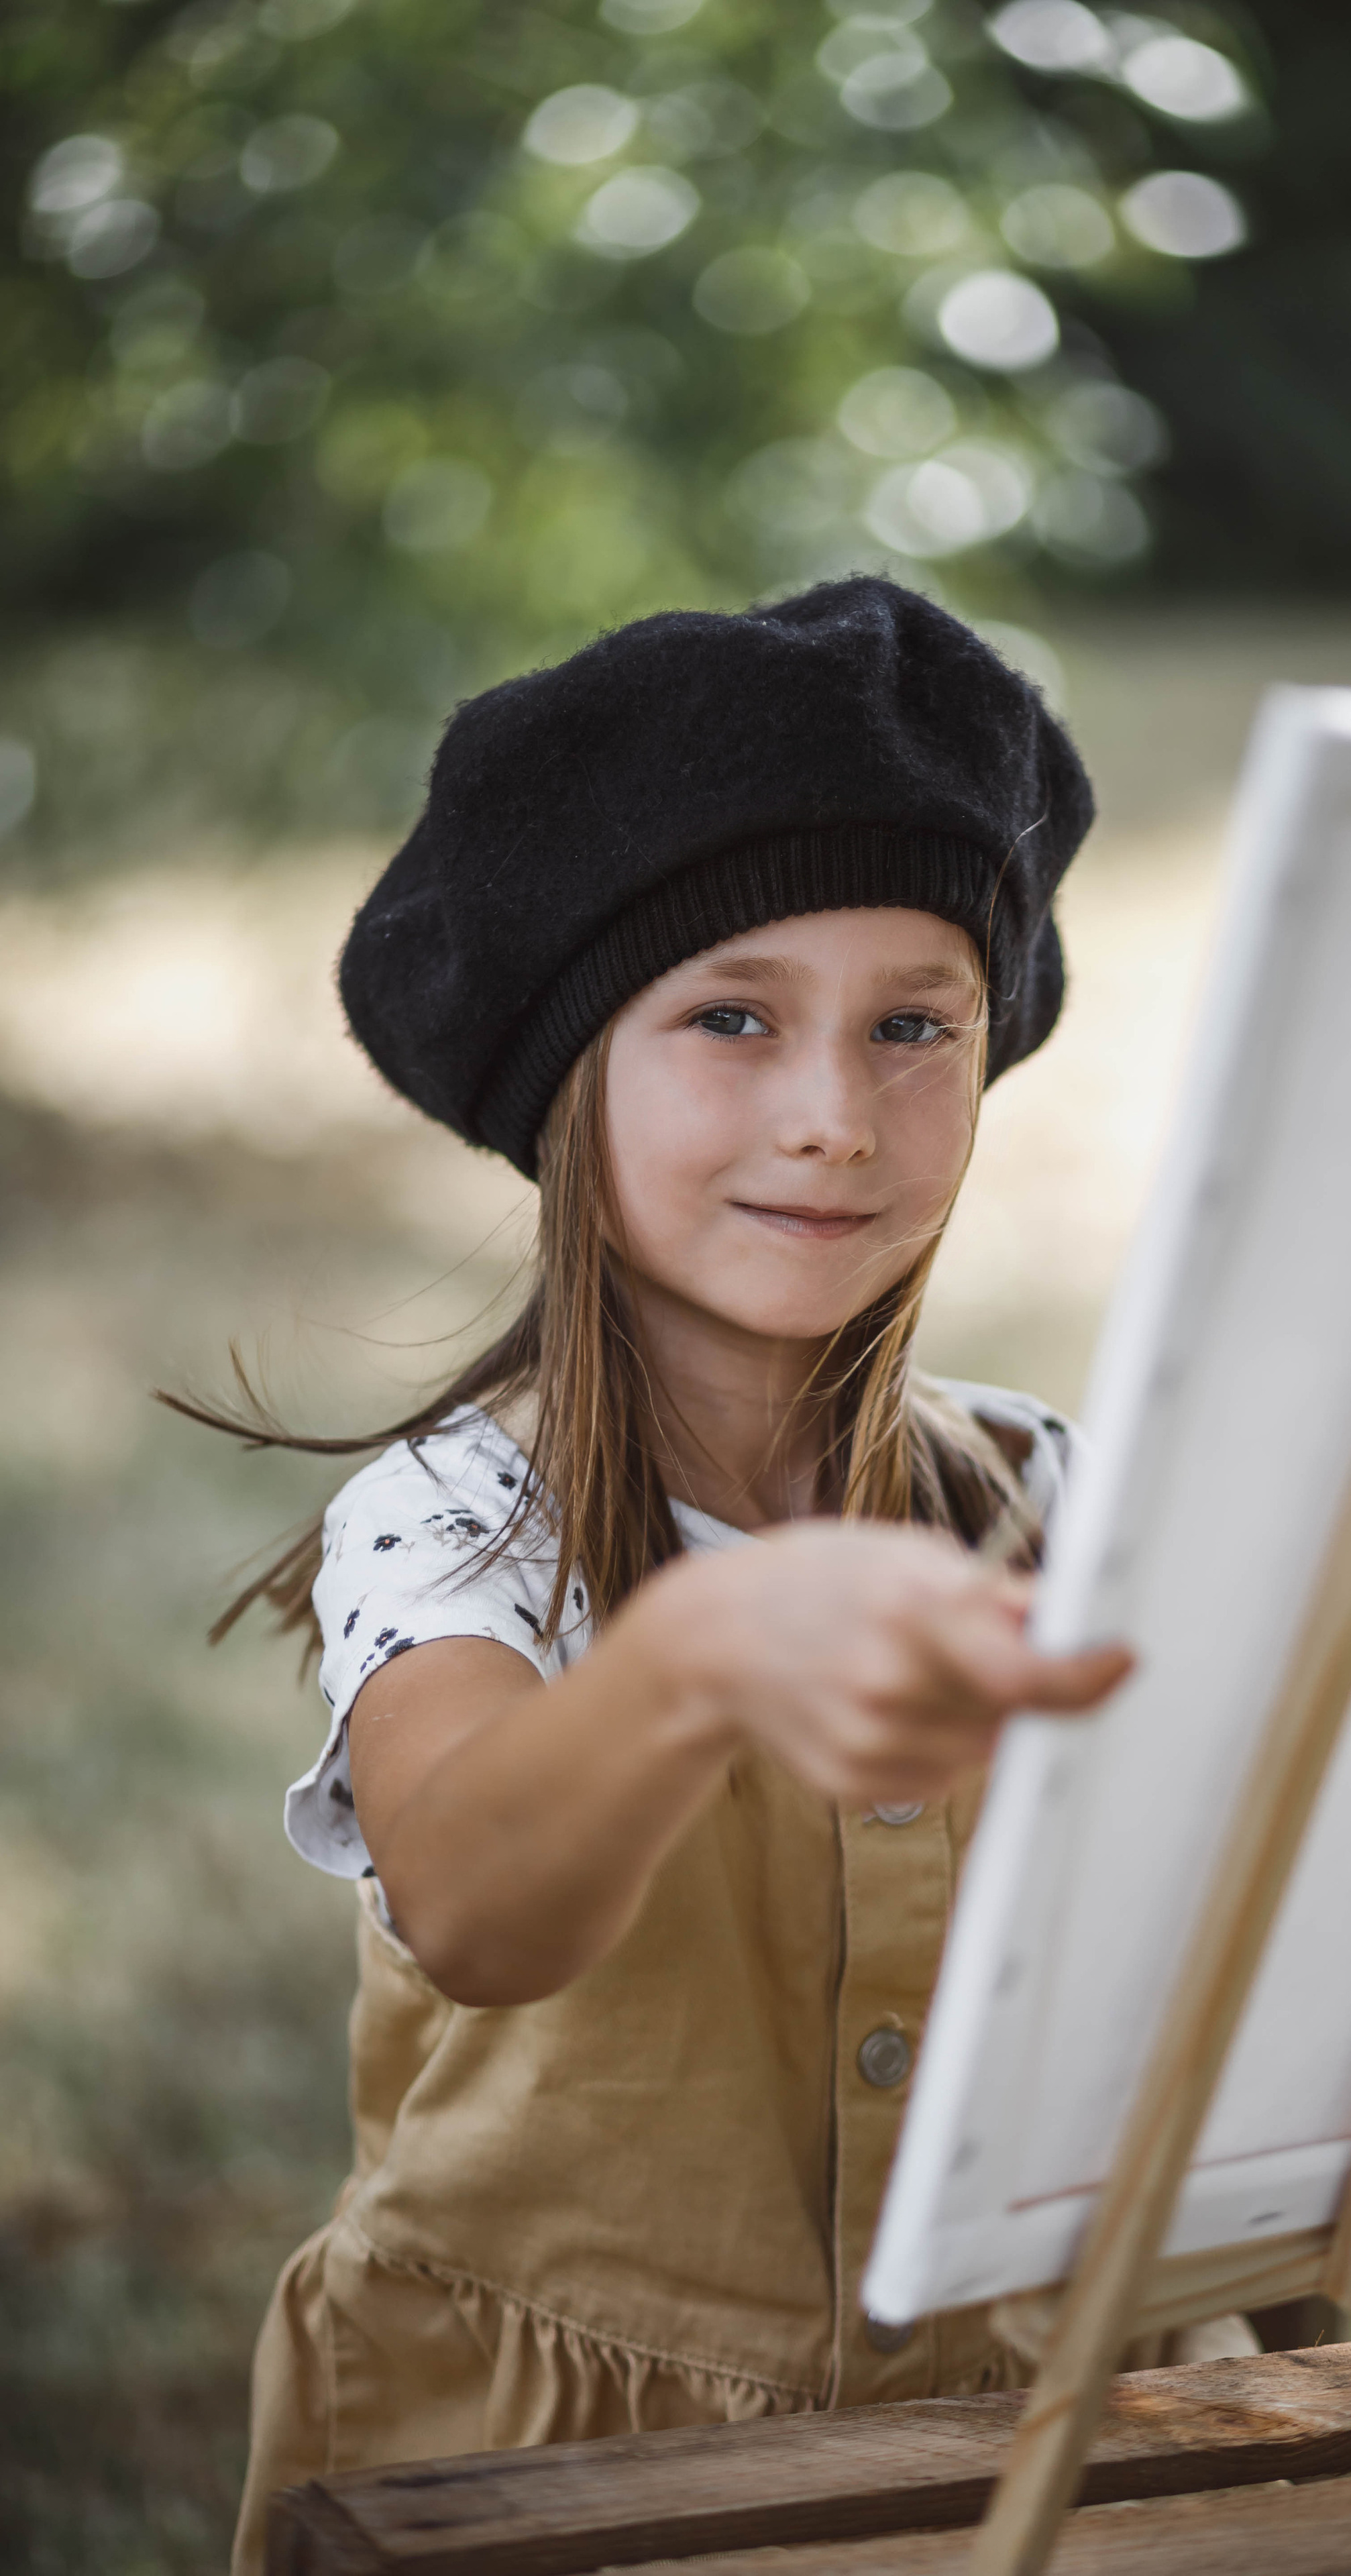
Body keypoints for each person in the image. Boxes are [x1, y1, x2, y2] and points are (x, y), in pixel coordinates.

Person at [185, 576, 1140, 2575]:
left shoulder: (1048, 1486)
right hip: (547, 2465)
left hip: (1012, 2435)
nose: (833, 1119)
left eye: (913, 1027)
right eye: (730, 1017)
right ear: (569, 1080)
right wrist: (690, 1653)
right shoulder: (461, 1517)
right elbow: (477, 1906)